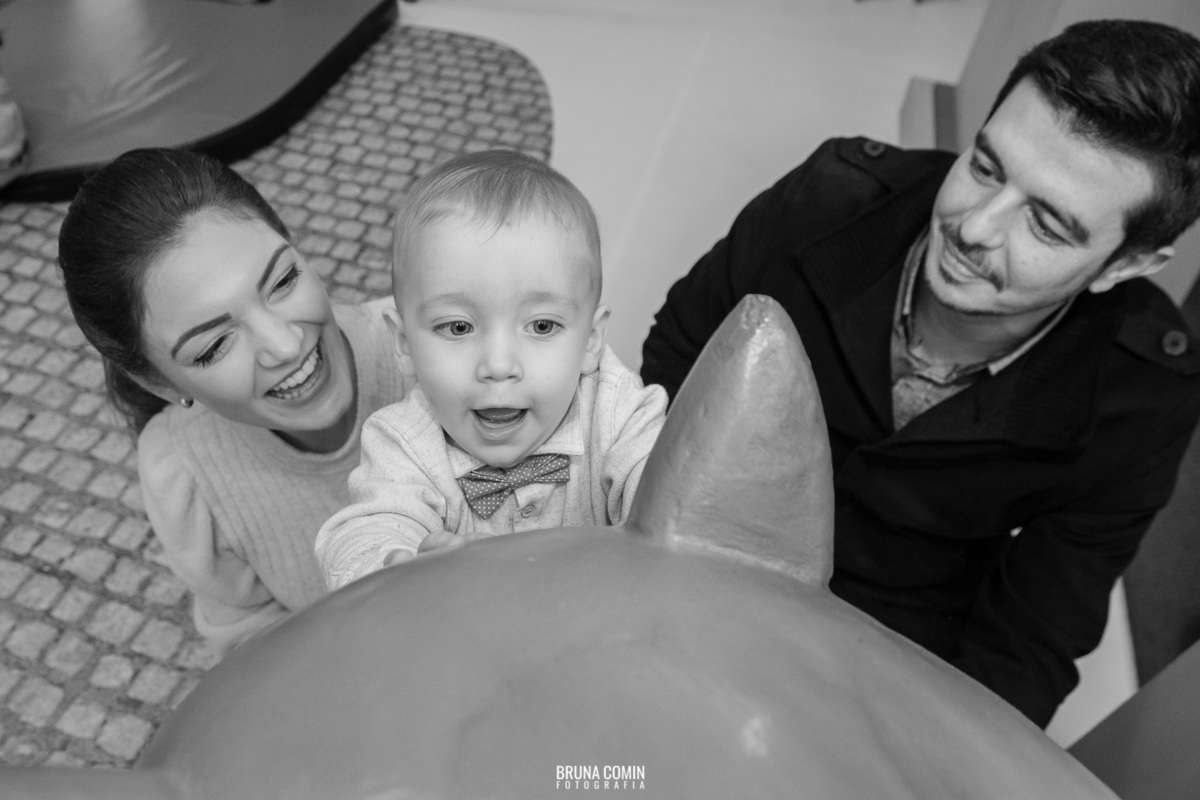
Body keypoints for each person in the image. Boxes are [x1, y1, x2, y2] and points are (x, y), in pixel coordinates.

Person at [640, 19, 1200, 727]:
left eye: (1046, 225)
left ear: (1127, 265)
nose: (974, 227)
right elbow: (678, 355)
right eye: (986, 167)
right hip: (703, 538)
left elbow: (1032, 637)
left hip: (890, 642)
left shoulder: (1144, 394)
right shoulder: (828, 200)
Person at [58, 148, 412, 656]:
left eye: (283, 281)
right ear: (160, 384)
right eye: (214, 346)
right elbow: (256, 647)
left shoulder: (453, 348)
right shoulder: (186, 474)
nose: (284, 346)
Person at [315, 150, 667, 590]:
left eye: (542, 326)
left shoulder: (617, 412)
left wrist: (669, 518)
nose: (498, 366)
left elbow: (672, 488)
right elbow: (364, 532)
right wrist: (391, 570)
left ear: (591, 341)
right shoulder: (403, 444)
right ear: (404, 344)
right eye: (458, 327)